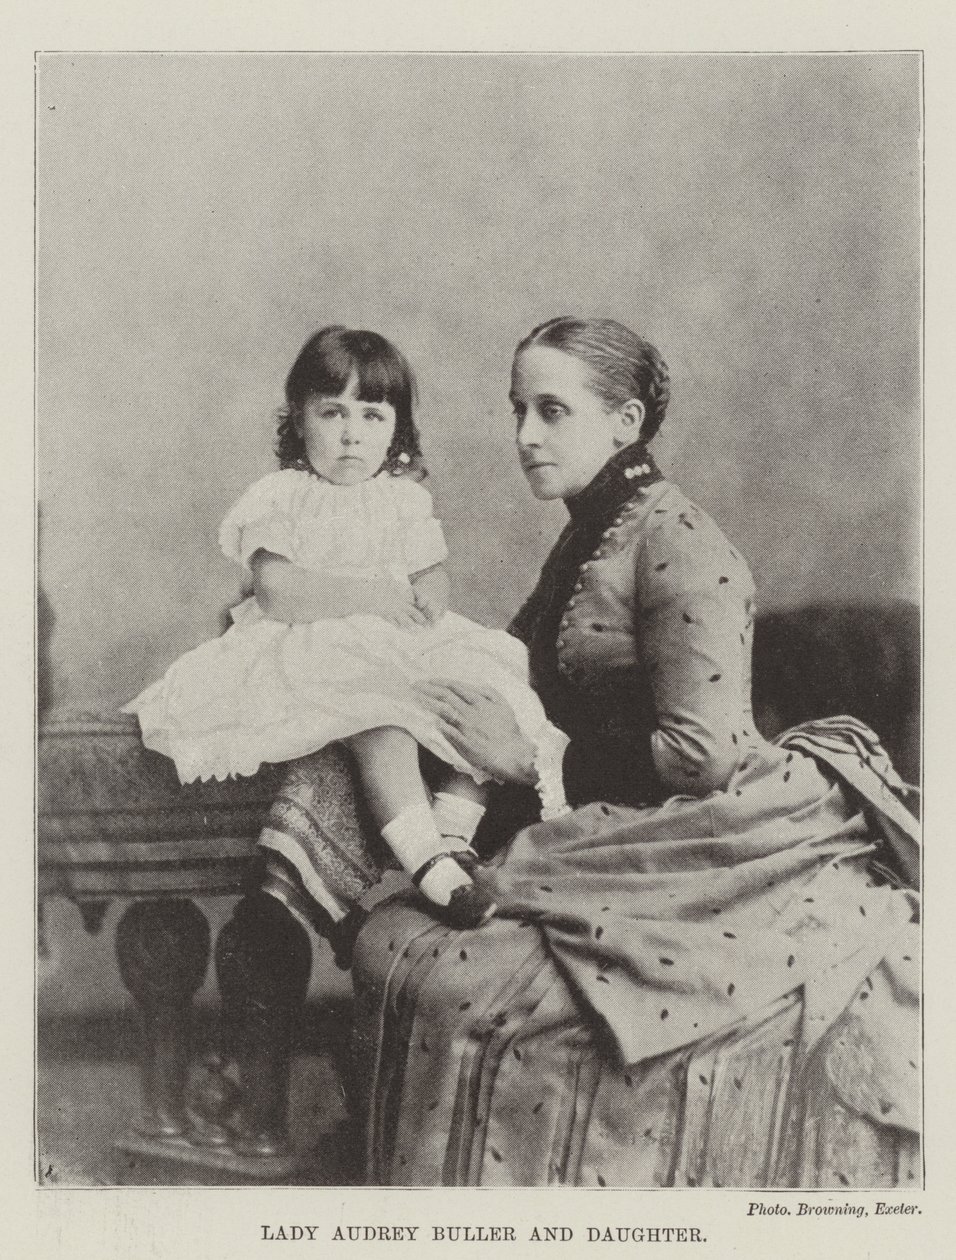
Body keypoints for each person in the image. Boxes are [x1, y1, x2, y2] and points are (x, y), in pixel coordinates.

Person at [339, 316, 920, 1187]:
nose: (525, 436)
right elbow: (524, 673)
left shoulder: (679, 541)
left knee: (470, 979)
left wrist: (525, 757)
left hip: (701, 830)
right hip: (602, 815)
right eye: (517, 411)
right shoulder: (592, 530)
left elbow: (707, 755)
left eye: (551, 411)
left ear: (627, 420)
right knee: (398, 933)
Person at [124, 326, 552, 928]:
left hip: (397, 639)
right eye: (332, 412)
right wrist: (375, 596)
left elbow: (432, 577)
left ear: (395, 428)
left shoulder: (402, 501)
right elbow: (278, 591)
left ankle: (456, 836)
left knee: (478, 688)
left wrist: (427, 601)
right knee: (378, 718)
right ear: (300, 420)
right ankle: (423, 855)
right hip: (313, 640)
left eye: (373, 416)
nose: (352, 434)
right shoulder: (282, 495)